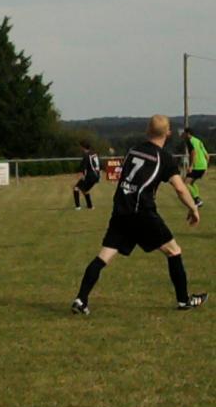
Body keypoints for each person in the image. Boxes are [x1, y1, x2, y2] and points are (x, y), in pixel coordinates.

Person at [72, 115, 207, 315]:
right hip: (142, 212)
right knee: (174, 251)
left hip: (121, 210)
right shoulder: (164, 158)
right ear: (168, 133)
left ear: (147, 131)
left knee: (104, 256)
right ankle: (183, 300)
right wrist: (193, 208)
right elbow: (180, 188)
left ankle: (81, 299)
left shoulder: (133, 150)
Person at [182, 128, 209, 208]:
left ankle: (197, 200)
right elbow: (207, 155)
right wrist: (206, 167)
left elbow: (193, 153)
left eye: (184, 133)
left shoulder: (190, 141)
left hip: (196, 166)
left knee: (185, 183)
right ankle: (197, 199)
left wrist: (190, 166)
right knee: (192, 183)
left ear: (188, 134)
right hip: (203, 166)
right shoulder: (198, 141)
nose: (183, 134)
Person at [73, 141, 101, 211]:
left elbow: (84, 168)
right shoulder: (94, 154)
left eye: (81, 147)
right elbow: (99, 165)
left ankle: (77, 207)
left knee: (76, 188)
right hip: (96, 176)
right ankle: (90, 206)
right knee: (85, 190)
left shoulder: (86, 156)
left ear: (83, 147)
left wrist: (82, 175)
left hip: (90, 176)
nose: (80, 148)